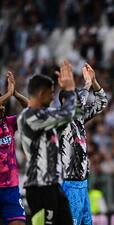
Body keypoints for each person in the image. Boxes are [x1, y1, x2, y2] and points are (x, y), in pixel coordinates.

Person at [17, 60, 76, 225]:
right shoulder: (29, 117)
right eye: (51, 93)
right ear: (41, 93)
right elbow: (66, 114)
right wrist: (70, 90)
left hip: (53, 184)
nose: (53, 97)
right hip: (39, 186)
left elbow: (70, 115)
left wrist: (71, 90)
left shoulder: (45, 115)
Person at [59, 63, 108, 225]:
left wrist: (94, 81)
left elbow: (102, 102)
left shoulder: (79, 120)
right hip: (70, 183)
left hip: (83, 182)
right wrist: (86, 83)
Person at [0, 71, 28, 225]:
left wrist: (15, 93)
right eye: (0, 104)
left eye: (4, 105)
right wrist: (7, 93)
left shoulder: (9, 123)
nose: (3, 108)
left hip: (10, 188)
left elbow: (31, 110)